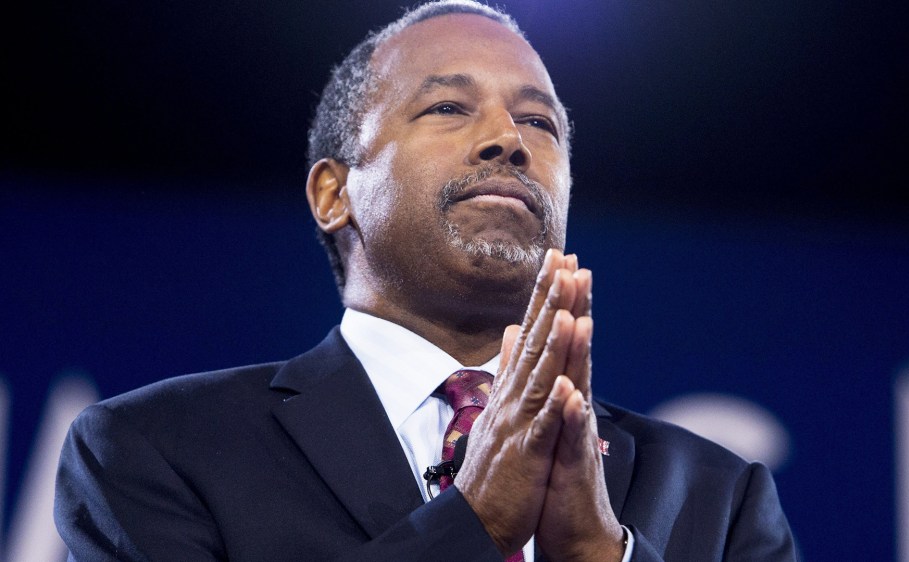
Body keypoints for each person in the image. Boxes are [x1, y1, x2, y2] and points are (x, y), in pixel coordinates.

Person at [54, 1, 796, 560]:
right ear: (333, 193)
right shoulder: (158, 449)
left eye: (541, 124)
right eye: (447, 107)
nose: (509, 140)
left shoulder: (718, 498)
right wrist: (474, 527)